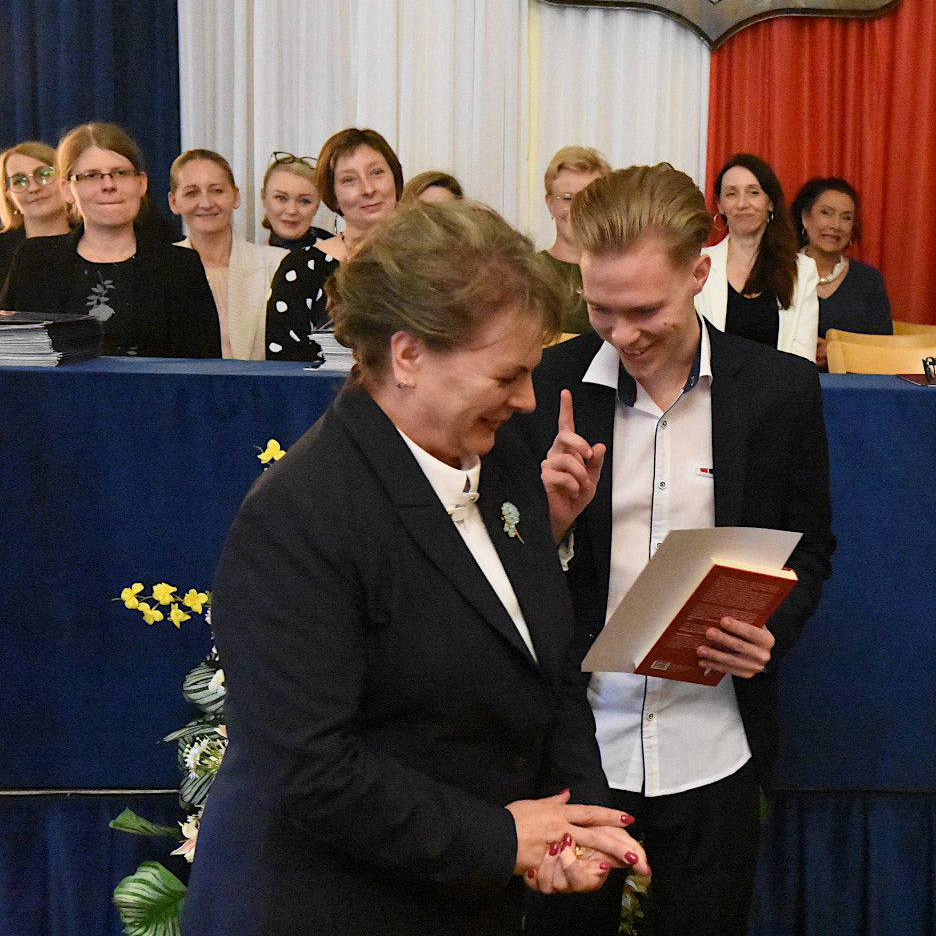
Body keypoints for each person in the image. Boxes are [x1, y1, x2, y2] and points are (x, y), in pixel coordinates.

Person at [180, 199, 649, 936]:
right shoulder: (300, 515)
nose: (527, 399)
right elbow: (312, 768)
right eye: (507, 374)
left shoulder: (500, 457)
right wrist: (504, 840)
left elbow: (548, 669)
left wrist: (578, 821)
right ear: (407, 356)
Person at [515, 163, 835, 936]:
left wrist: (770, 629)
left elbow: (811, 547)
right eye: (601, 309)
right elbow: (490, 569)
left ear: (700, 273)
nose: (622, 334)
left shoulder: (778, 391)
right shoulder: (547, 385)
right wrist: (548, 522)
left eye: (645, 310)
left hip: (714, 744)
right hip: (576, 745)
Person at [0, 123, 218, 357]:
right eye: (91, 176)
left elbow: (203, 368)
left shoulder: (180, 266)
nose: (108, 185)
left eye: (120, 173)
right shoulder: (34, 260)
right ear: (67, 189)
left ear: (141, 183)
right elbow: (10, 357)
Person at [265, 128, 402, 361]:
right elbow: (284, 368)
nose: (368, 189)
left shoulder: (430, 259)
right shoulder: (302, 268)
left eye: (377, 172)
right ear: (333, 195)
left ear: (395, 179)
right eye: (349, 180)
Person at [696, 153, 818, 361]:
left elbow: (803, 359)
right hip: (715, 380)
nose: (742, 204)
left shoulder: (803, 270)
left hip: (779, 380)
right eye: (731, 194)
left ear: (770, 202)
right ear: (720, 205)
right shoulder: (699, 264)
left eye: (753, 193)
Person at [168, 149, 284, 359]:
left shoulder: (278, 265)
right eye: (192, 193)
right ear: (173, 202)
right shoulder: (159, 270)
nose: (206, 203)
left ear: (236, 196)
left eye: (217, 191)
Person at [791, 176, 893, 369]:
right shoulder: (779, 273)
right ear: (805, 218)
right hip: (789, 381)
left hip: (853, 384)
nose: (835, 226)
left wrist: (836, 353)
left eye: (846, 218)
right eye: (826, 213)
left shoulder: (868, 281)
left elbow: (882, 350)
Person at [539, 145, 611, 335]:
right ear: (550, 204)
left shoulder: (621, 272)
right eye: (568, 199)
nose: (579, 210)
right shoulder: (530, 275)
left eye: (590, 199)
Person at [1, 141, 74, 278]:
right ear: (9, 196)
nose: (33, 188)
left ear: (65, 181)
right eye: (19, 181)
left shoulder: (97, 241)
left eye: (44, 175)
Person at [259, 152, 332, 249]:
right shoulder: (249, 256)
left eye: (304, 201)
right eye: (281, 198)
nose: (292, 211)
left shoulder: (339, 255)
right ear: (263, 197)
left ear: (317, 206)